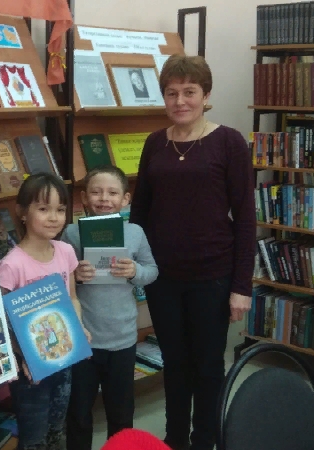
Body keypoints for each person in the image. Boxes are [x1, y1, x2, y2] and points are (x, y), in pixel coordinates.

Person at [128, 55, 256, 450]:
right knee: (175, 363)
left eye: (189, 92)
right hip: (162, 277)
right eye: (172, 93)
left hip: (212, 277)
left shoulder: (229, 142)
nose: (180, 101)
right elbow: (139, 213)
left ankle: (204, 440)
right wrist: (131, 265)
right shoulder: (155, 143)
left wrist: (242, 286)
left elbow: (246, 218)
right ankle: (175, 439)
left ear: (205, 95)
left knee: (208, 366)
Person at [63, 165, 159, 450]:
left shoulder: (135, 233)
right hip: (83, 339)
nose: (104, 199)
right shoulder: (71, 233)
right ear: (83, 197)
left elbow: (152, 270)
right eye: (96, 192)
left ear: (125, 199)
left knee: (121, 412)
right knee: (79, 412)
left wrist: (135, 271)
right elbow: (58, 279)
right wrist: (74, 276)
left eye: (113, 193)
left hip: (122, 339)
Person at [0, 173, 90, 450]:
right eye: (44, 208)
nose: (54, 218)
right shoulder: (10, 266)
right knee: (33, 437)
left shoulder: (65, 251)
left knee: (56, 429)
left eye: (60, 209)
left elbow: (72, 299)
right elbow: (1, 324)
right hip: (30, 370)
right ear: (22, 212)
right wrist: (24, 355)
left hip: (63, 360)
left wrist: (78, 329)